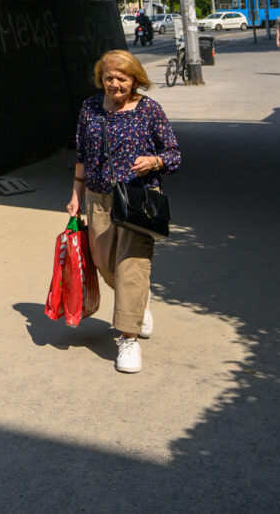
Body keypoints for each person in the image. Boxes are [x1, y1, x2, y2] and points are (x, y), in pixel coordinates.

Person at [67, 50, 181, 375]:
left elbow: (173, 153)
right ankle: (139, 302)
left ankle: (128, 339)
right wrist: (76, 195)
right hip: (99, 195)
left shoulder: (149, 110)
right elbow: (82, 154)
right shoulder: (90, 108)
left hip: (138, 197)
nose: (114, 84)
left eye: (122, 78)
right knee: (103, 262)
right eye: (108, 78)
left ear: (135, 80)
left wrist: (154, 162)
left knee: (132, 265)